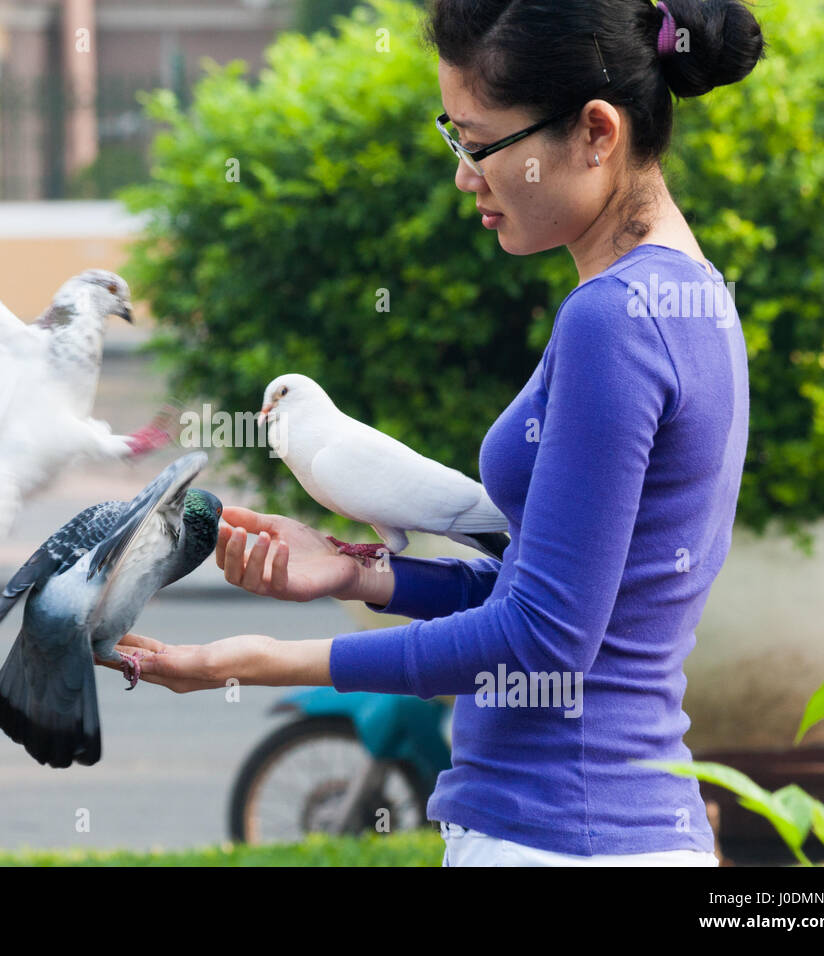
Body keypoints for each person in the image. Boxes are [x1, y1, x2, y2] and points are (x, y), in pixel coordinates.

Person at [99, 0, 765, 865]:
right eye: (454, 139)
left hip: (560, 835)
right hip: (604, 826)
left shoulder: (616, 322)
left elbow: (541, 641)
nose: (464, 176)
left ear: (596, 132)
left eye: (481, 144)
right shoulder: (694, 297)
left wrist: (255, 659)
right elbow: (549, 602)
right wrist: (366, 576)